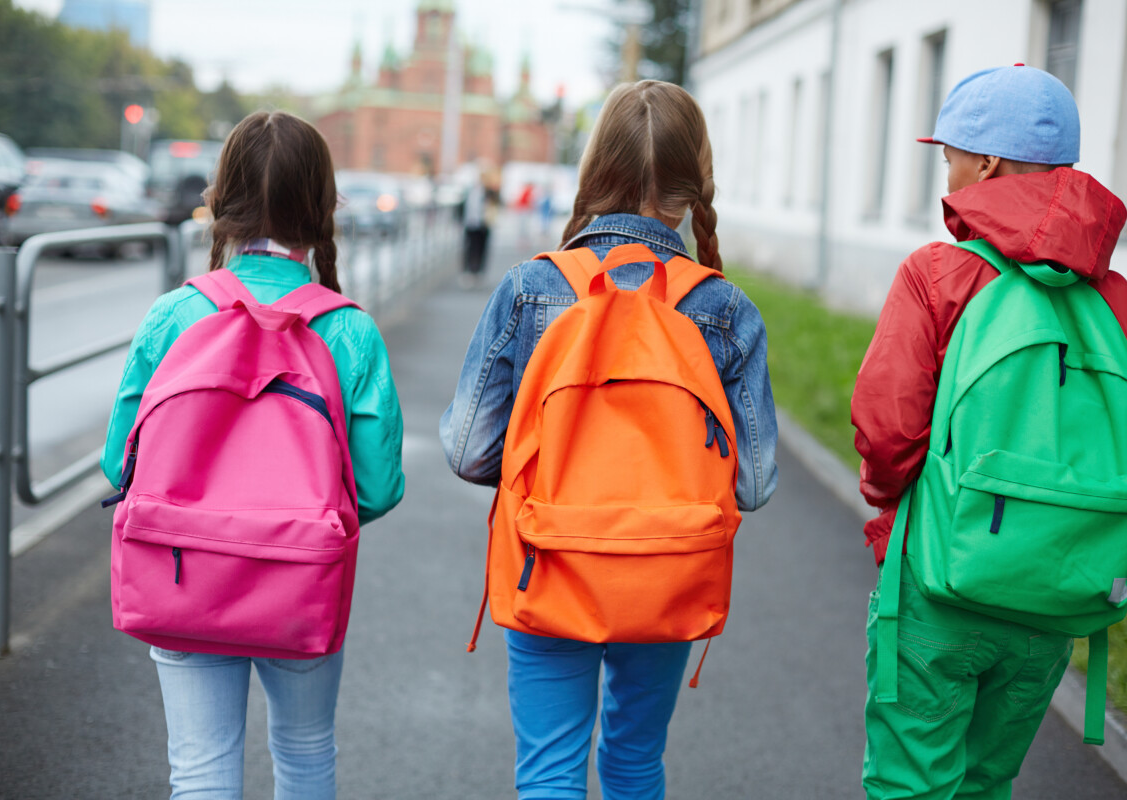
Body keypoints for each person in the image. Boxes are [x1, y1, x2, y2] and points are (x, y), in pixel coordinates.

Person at [439, 80, 779, 800]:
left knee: (551, 770)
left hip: (548, 557)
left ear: (595, 168)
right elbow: (753, 482)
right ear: (695, 182)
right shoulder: (724, 309)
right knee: (632, 762)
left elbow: (469, 448)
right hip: (667, 567)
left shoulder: (532, 288)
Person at [851, 65, 1127, 799]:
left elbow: (886, 431)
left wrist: (889, 506)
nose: (949, 171)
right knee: (985, 784)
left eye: (951, 156)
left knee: (912, 782)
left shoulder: (938, 275)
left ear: (986, 164)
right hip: (1059, 596)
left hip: (943, 584)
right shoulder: (1118, 301)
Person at [101, 110, 405, 799]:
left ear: (220, 200)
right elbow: (379, 488)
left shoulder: (174, 315)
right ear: (323, 207)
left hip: (181, 575)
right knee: (304, 753)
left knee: (201, 767)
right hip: (300, 581)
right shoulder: (348, 330)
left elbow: (119, 464)